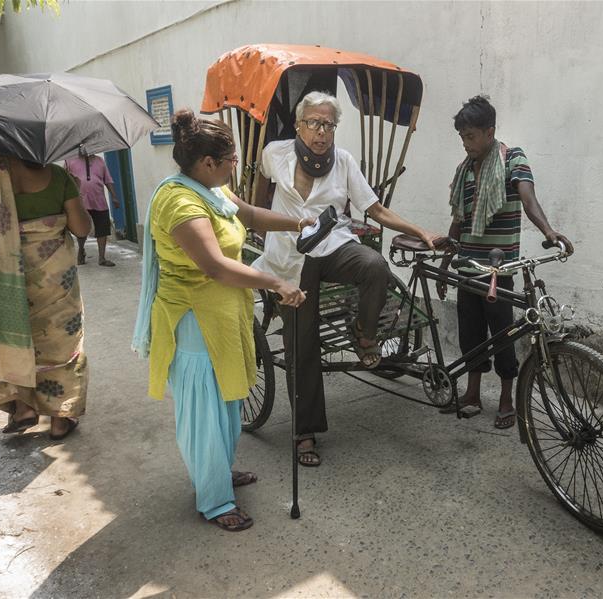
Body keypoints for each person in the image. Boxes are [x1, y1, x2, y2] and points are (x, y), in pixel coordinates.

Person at [132, 109, 308, 532]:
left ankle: (219, 471)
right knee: (203, 415)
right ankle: (213, 500)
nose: (235, 167)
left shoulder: (212, 190)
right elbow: (215, 266)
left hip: (224, 315)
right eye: (231, 160)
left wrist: (301, 220)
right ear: (208, 163)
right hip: (194, 323)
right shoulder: (180, 201)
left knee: (229, 402)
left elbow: (247, 215)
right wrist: (276, 282)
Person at [253, 91, 441, 467]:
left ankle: (364, 333)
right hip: (291, 257)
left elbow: (375, 209)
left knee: (374, 265)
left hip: (333, 244)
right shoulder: (277, 153)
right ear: (299, 125)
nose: (322, 132)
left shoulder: (342, 161)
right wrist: (257, 220)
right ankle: (304, 432)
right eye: (315, 123)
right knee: (300, 340)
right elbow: (259, 183)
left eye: (329, 124)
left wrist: (420, 231)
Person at [441, 95, 573, 429]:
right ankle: (471, 393)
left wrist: (549, 231)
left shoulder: (512, 158)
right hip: (467, 268)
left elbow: (528, 199)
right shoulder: (464, 171)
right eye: (462, 138)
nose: (466, 143)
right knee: (470, 336)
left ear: (489, 131)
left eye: (471, 136)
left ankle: (505, 398)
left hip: (500, 270)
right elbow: (458, 222)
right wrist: (445, 265)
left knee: (502, 335)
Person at [0, 153, 92, 440]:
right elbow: (81, 228)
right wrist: (74, 192)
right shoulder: (58, 176)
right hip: (55, 278)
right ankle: (60, 419)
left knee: (13, 337)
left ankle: (23, 407)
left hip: (5, 273)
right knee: (62, 343)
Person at [64, 153, 120, 266]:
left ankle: (102, 258)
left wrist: (114, 196)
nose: (84, 148)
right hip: (80, 202)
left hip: (99, 201)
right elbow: (64, 180)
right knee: (82, 229)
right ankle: (81, 250)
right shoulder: (69, 161)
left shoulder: (100, 161)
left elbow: (108, 180)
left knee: (102, 229)